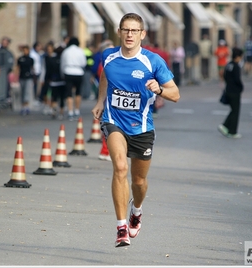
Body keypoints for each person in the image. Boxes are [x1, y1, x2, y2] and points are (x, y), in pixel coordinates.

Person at [91, 13, 180, 247]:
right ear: (119, 32)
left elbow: (176, 94)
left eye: (134, 31)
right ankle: (121, 227)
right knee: (120, 167)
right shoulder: (108, 56)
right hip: (114, 121)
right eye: (125, 30)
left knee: (138, 181)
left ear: (142, 34)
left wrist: (159, 89)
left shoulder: (153, 61)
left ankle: (136, 210)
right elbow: (104, 76)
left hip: (141, 127)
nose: (129, 34)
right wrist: (101, 101)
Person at [217, 48, 244, 139]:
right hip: (235, 91)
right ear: (238, 57)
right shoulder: (236, 66)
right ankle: (232, 131)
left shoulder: (228, 65)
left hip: (228, 89)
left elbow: (224, 76)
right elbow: (237, 79)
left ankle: (225, 126)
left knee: (233, 110)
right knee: (235, 111)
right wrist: (241, 87)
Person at [60, 37, 86, 121]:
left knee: (69, 93)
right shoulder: (80, 51)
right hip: (78, 72)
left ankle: (70, 112)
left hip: (68, 71)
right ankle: (77, 110)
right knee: (78, 92)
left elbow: (62, 63)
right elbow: (84, 63)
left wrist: (62, 73)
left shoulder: (66, 51)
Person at [16, 45, 34, 116]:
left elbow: (32, 68)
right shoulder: (20, 59)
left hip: (28, 77)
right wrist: (15, 77)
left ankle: (26, 106)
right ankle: (23, 106)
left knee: (27, 92)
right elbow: (18, 68)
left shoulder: (30, 59)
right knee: (22, 91)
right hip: (22, 76)